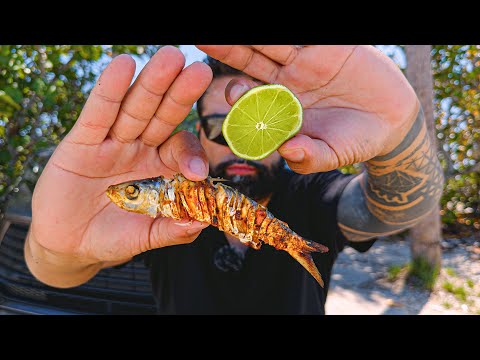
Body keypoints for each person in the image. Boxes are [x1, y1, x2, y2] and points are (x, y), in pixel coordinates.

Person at [24, 45, 444, 314]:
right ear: (197, 132)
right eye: (221, 129)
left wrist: (402, 134)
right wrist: (55, 245)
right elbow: (57, 272)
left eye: (258, 127)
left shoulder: (309, 192)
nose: (240, 147)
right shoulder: (163, 215)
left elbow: (396, 208)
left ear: (283, 130)